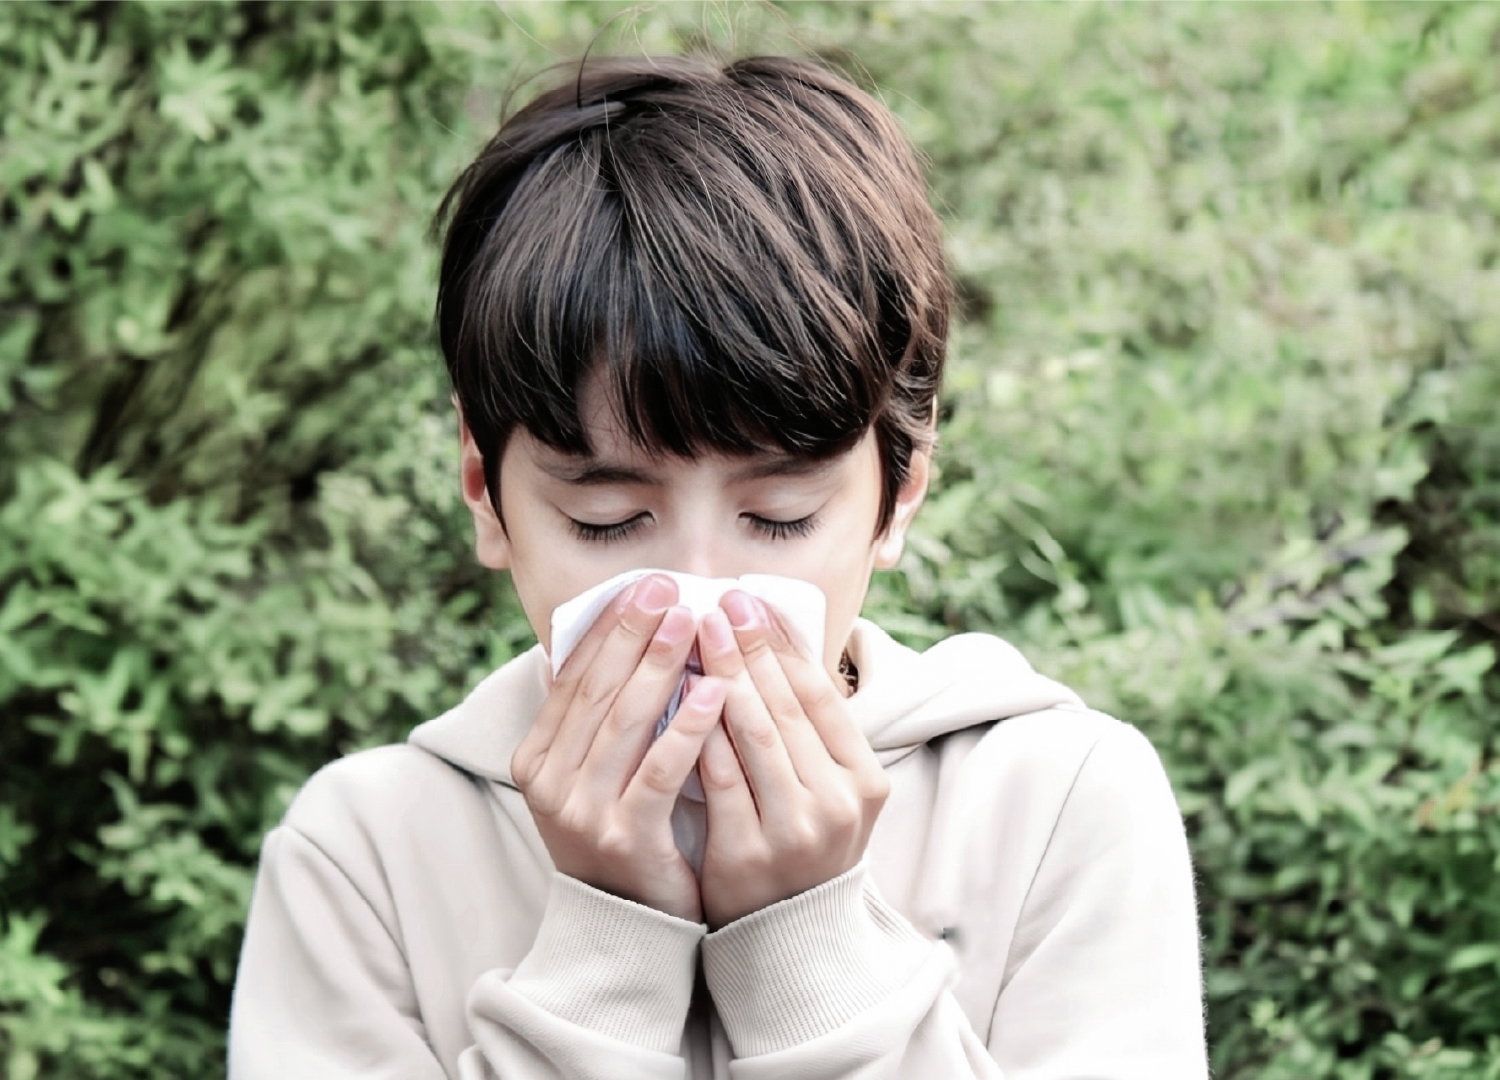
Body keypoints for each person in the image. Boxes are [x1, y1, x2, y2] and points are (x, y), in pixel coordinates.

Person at [228, 55, 1207, 1078]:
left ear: (900, 491)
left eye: (778, 517)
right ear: (487, 493)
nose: (696, 598)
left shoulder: (1057, 804)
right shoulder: (367, 855)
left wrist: (808, 943)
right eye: (607, 519)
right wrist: (606, 950)